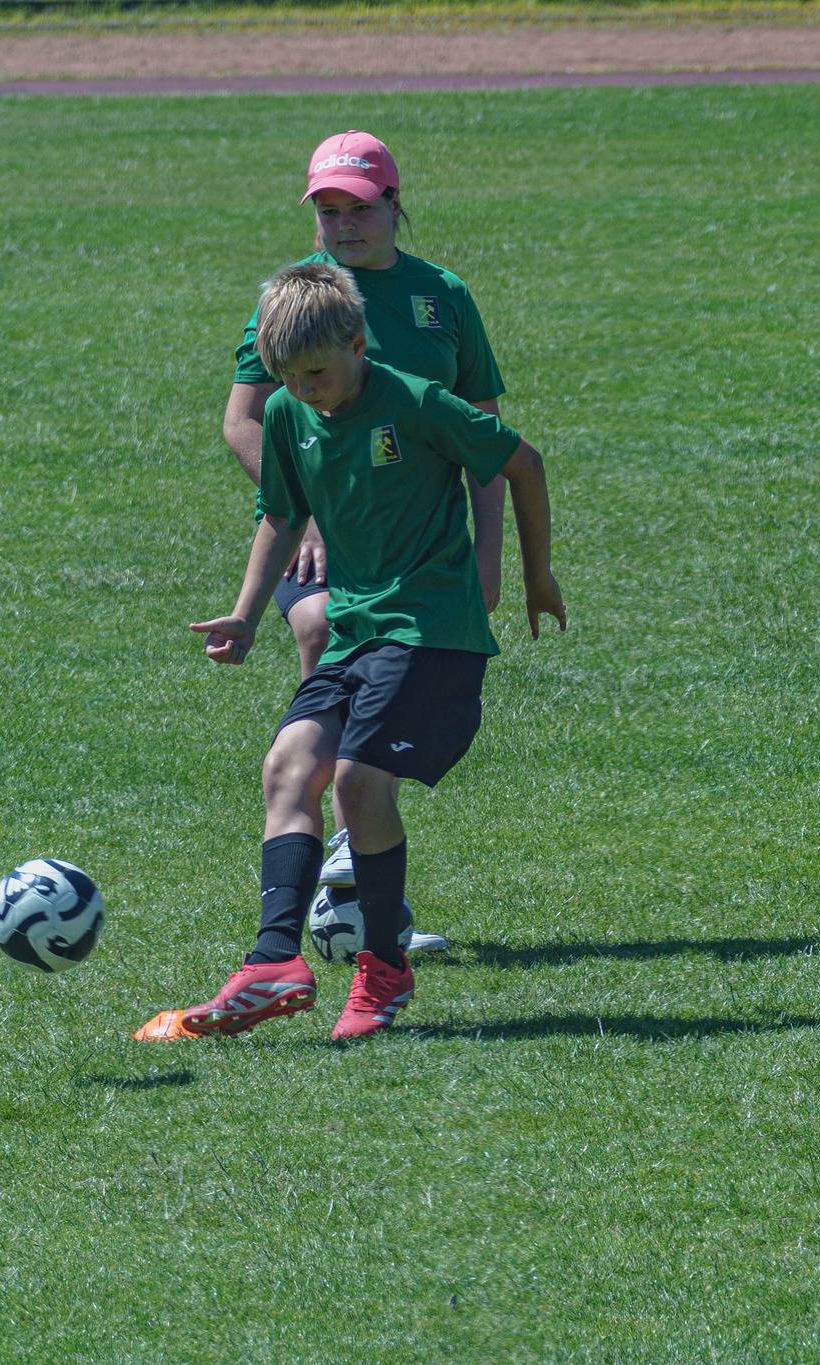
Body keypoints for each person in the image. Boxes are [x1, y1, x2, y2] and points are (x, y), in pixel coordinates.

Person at [136, 262, 565, 1043]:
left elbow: (523, 463)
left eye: (318, 373)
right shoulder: (287, 416)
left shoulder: (416, 401)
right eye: (289, 378)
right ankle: (273, 961)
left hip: (431, 630)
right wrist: (245, 616)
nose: (306, 390)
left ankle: (383, 968)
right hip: (356, 632)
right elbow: (280, 517)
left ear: (358, 344)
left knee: (360, 782)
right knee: (287, 766)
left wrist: (537, 576)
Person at [223, 129, 509, 953]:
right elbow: (243, 421)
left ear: (394, 204)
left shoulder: (442, 296)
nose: (344, 226)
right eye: (328, 211)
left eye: (359, 208)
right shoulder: (296, 300)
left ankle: (355, 863)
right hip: (319, 532)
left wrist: (489, 559)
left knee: (373, 736)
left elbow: (488, 437)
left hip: (414, 549)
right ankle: (335, 862)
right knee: (317, 625)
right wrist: (310, 512)